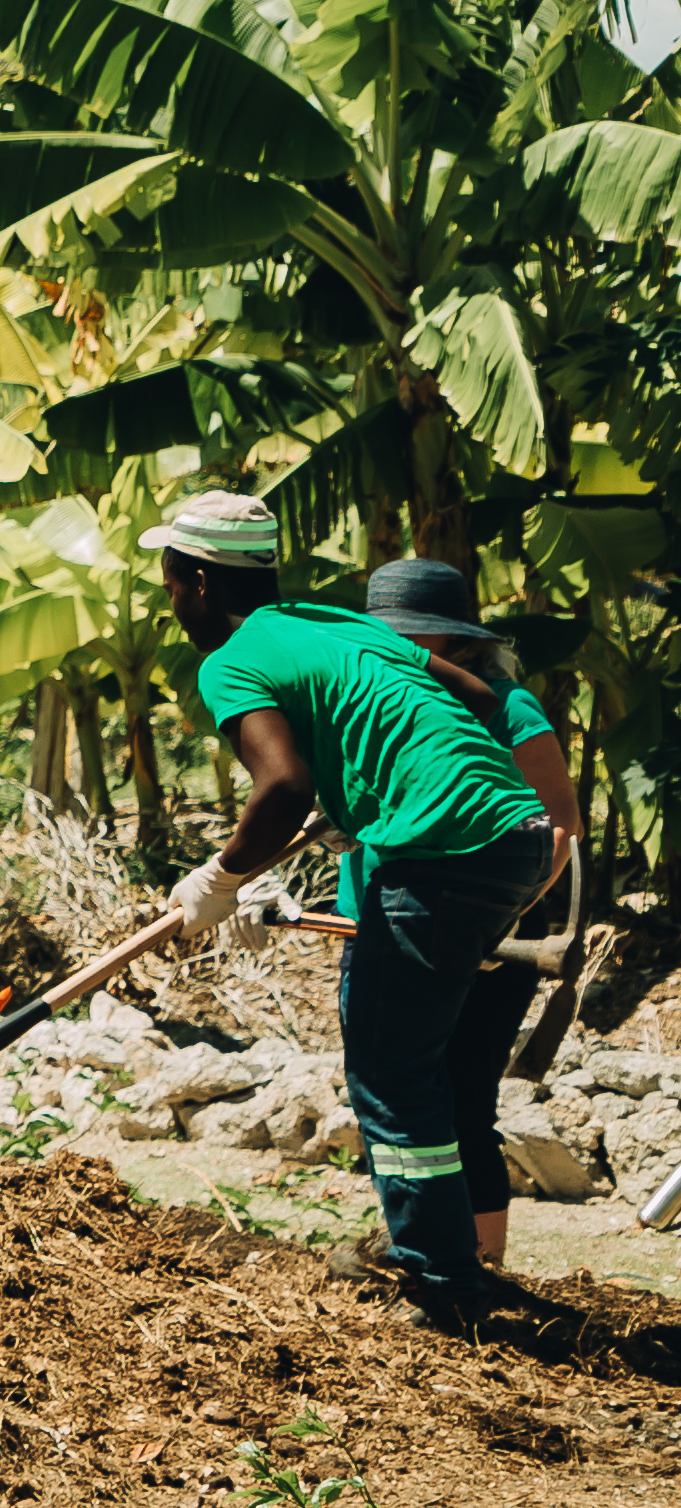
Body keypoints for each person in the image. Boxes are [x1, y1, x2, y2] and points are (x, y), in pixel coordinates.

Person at [153, 496, 555, 1317]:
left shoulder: (230, 658)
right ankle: (446, 1261)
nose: (171, 601)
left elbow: (283, 786)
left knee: (391, 1077)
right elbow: (479, 699)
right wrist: (369, 789)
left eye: (170, 582)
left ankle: (441, 1284)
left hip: (441, 852)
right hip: (513, 835)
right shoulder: (335, 624)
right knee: (415, 1071)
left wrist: (222, 879)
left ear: (197, 580)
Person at [363, 556, 579, 1281]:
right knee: (402, 1094)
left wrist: (495, 919)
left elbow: (559, 825)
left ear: (453, 641)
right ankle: (422, 1243)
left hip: (489, 935)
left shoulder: (506, 707)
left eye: (407, 636)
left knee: (460, 1096)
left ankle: (479, 1264)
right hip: (394, 923)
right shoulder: (389, 697)